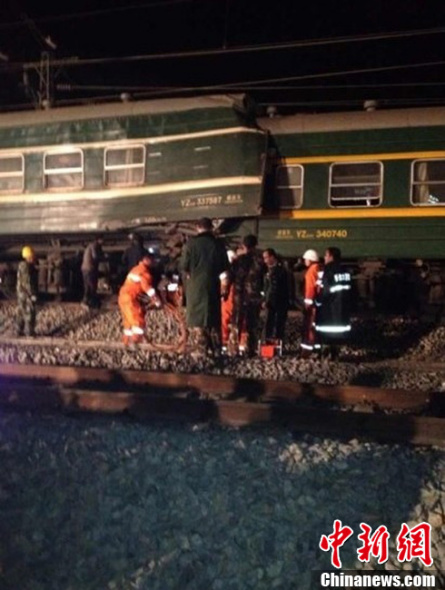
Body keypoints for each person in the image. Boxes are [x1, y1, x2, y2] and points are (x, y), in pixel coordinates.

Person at [180, 217, 229, 354]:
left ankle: (202, 351)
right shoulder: (218, 244)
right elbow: (224, 267)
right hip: (212, 286)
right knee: (213, 319)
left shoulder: (190, 244)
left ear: (197, 227)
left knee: (198, 321)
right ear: (211, 227)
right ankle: (217, 351)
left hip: (195, 288)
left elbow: (184, 267)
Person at [229, 235, 265, 355]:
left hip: (239, 296)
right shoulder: (260, 261)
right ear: (255, 246)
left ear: (244, 245)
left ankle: (233, 349)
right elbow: (264, 279)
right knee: (252, 324)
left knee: (236, 323)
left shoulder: (238, 261)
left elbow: (231, 277)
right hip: (253, 297)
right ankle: (251, 350)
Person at [315, 246, 352, 359]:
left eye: (326, 255)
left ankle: (326, 351)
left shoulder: (328, 270)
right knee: (338, 331)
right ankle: (335, 352)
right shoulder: (345, 271)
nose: (324, 257)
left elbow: (326, 291)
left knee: (327, 330)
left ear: (331, 256)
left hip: (330, 308)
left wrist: (318, 301)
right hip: (343, 307)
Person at [118, 252, 162, 345]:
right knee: (137, 321)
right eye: (152, 260)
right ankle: (136, 343)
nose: (153, 262)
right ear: (146, 260)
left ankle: (126, 343)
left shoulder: (136, 269)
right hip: (130, 298)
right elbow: (147, 288)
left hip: (123, 296)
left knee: (128, 322)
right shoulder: (144, 271)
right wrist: (156, 300)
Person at [262, 248, 290, 343]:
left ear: (272, 257)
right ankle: (268, 342)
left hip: (278, 302)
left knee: (278, 323)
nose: (264, 260)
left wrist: (267, 301)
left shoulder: (280, 271)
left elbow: (274, 288)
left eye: (266, 257)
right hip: (271, 302)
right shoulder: (267, 271)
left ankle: (277, 342)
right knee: (269, 323)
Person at [300, 249, 323, 356]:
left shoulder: (311, 271)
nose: (305, 261)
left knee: (309, 326)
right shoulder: (320, 269)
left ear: (311, 259)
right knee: (317, 326)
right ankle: (318, 348)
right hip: (319, 302)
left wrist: (308, 303)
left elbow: (310, 288)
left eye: (306, 259)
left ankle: (307, 350)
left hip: (312, 304)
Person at [16, 245, 39, 337]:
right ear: (29, 257)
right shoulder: (25, 267)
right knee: (30, 311)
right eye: (32, 256)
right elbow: (27, 282)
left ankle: (19, 330)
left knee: (21, 311)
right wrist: (32, 294)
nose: (33, 258)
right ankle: (29, 332)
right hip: (26, 293)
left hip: (22, 292)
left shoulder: (23, 266)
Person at [81, 235, 104, 309]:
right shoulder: (94, 246)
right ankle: (89, 302)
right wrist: (104, 257)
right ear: (98, 240)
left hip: (85, 268)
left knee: (88, 286)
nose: (103, 242)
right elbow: (95, 256)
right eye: (102, 240)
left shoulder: (90, 246)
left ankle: (87, 302)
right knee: (91, 286)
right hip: (90, 268)